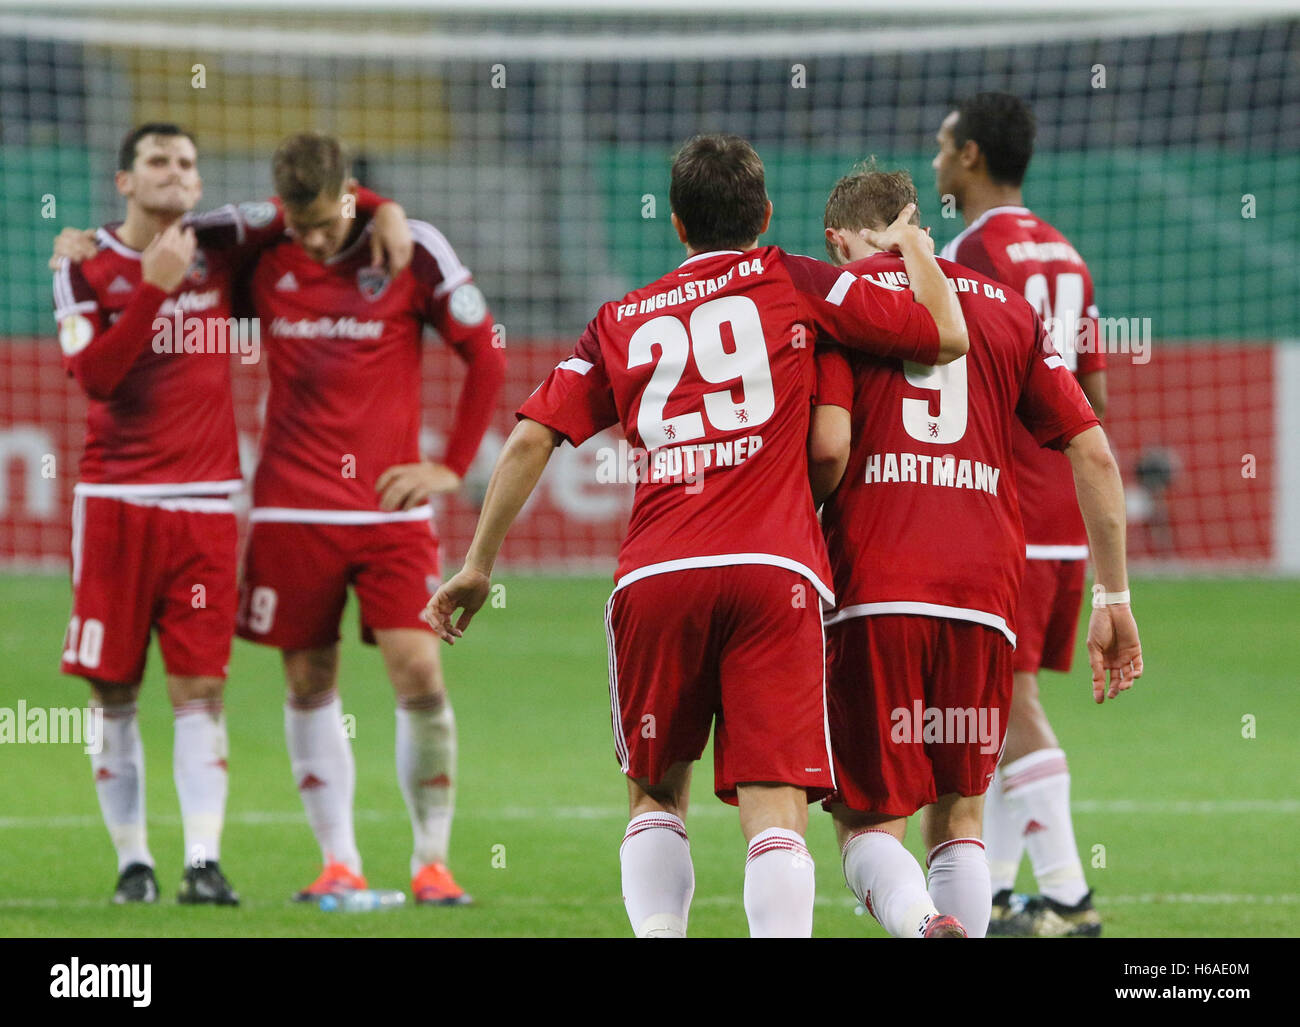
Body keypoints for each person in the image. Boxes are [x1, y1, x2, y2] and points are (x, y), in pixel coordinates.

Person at [423, 134, 968, 938]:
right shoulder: (797, 280)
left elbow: (533, 435)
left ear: (677, 224)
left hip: (657, 574)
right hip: (773, 570)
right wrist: (912, 246)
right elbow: (944, 332)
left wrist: (476, 565)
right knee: (775, 802)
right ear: (768, 215)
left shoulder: (619, 319)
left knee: (655, 791)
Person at [50, 123, 410, 905]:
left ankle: (203, 862)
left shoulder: (224, 239)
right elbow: (97, 378)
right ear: (125, 181)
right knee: (113, 692)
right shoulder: (81, 264)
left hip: (210, 505)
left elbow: (315, 195)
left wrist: (380, 208)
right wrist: (153, 284)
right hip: (115, 503)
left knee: (199, 692)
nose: (175, 172)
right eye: (157, 161)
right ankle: (133, 863)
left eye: (187, 161)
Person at [810, 164, 1141, 938]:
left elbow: (827, 447)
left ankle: (927, 925)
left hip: (878, 585)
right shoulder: (1011, 310)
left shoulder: (839, 303)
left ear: (838, 238)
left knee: (866, 817)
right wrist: (1115, 598)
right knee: (960, 810)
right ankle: (968, 913)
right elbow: (1092, 450)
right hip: (987, 595)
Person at [236, 133, 505, 906]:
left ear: (351, 194)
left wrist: (449, 466)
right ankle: (339, 860)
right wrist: (374, 208)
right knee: (307, 676)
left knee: (419, 669)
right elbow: (209, 226)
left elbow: (485, 353)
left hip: (390, 509)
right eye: (300, 226)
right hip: (291, 505)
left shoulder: (414, 250)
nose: (313, 240)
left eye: (325, 223)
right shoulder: (264, 247)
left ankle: (433, 861)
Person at [934, 92, 1111, 935]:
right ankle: (1002, 891)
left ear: (969, 156)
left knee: (1006, 696)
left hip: (1003, 510)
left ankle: (1072, 897)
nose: (935, 164)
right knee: (1004, 702)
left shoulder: (968, 250)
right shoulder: (1069, 256)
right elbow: (1093, 392)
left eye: (941, 149)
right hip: (1066, 512)